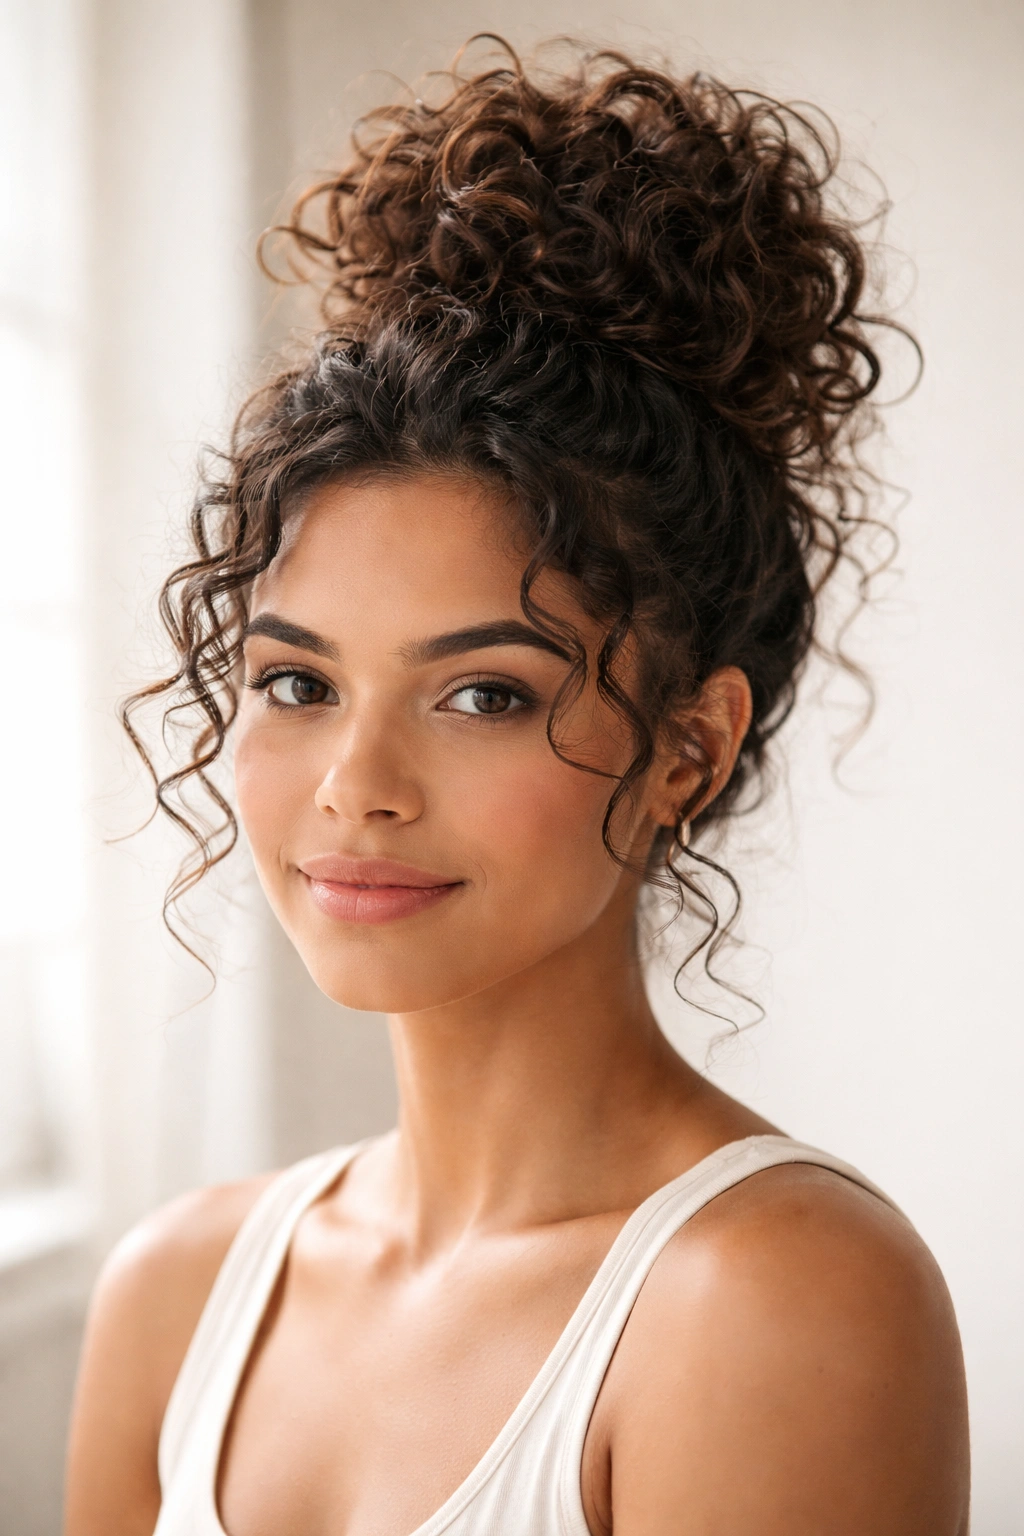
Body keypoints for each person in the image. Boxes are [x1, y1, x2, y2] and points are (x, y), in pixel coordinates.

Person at [64, 41, 970, 1536]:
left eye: (485, 694)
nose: (357, 787)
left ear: (691, 744)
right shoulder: (177, 1293)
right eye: (297, 683)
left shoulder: (772, 1302)